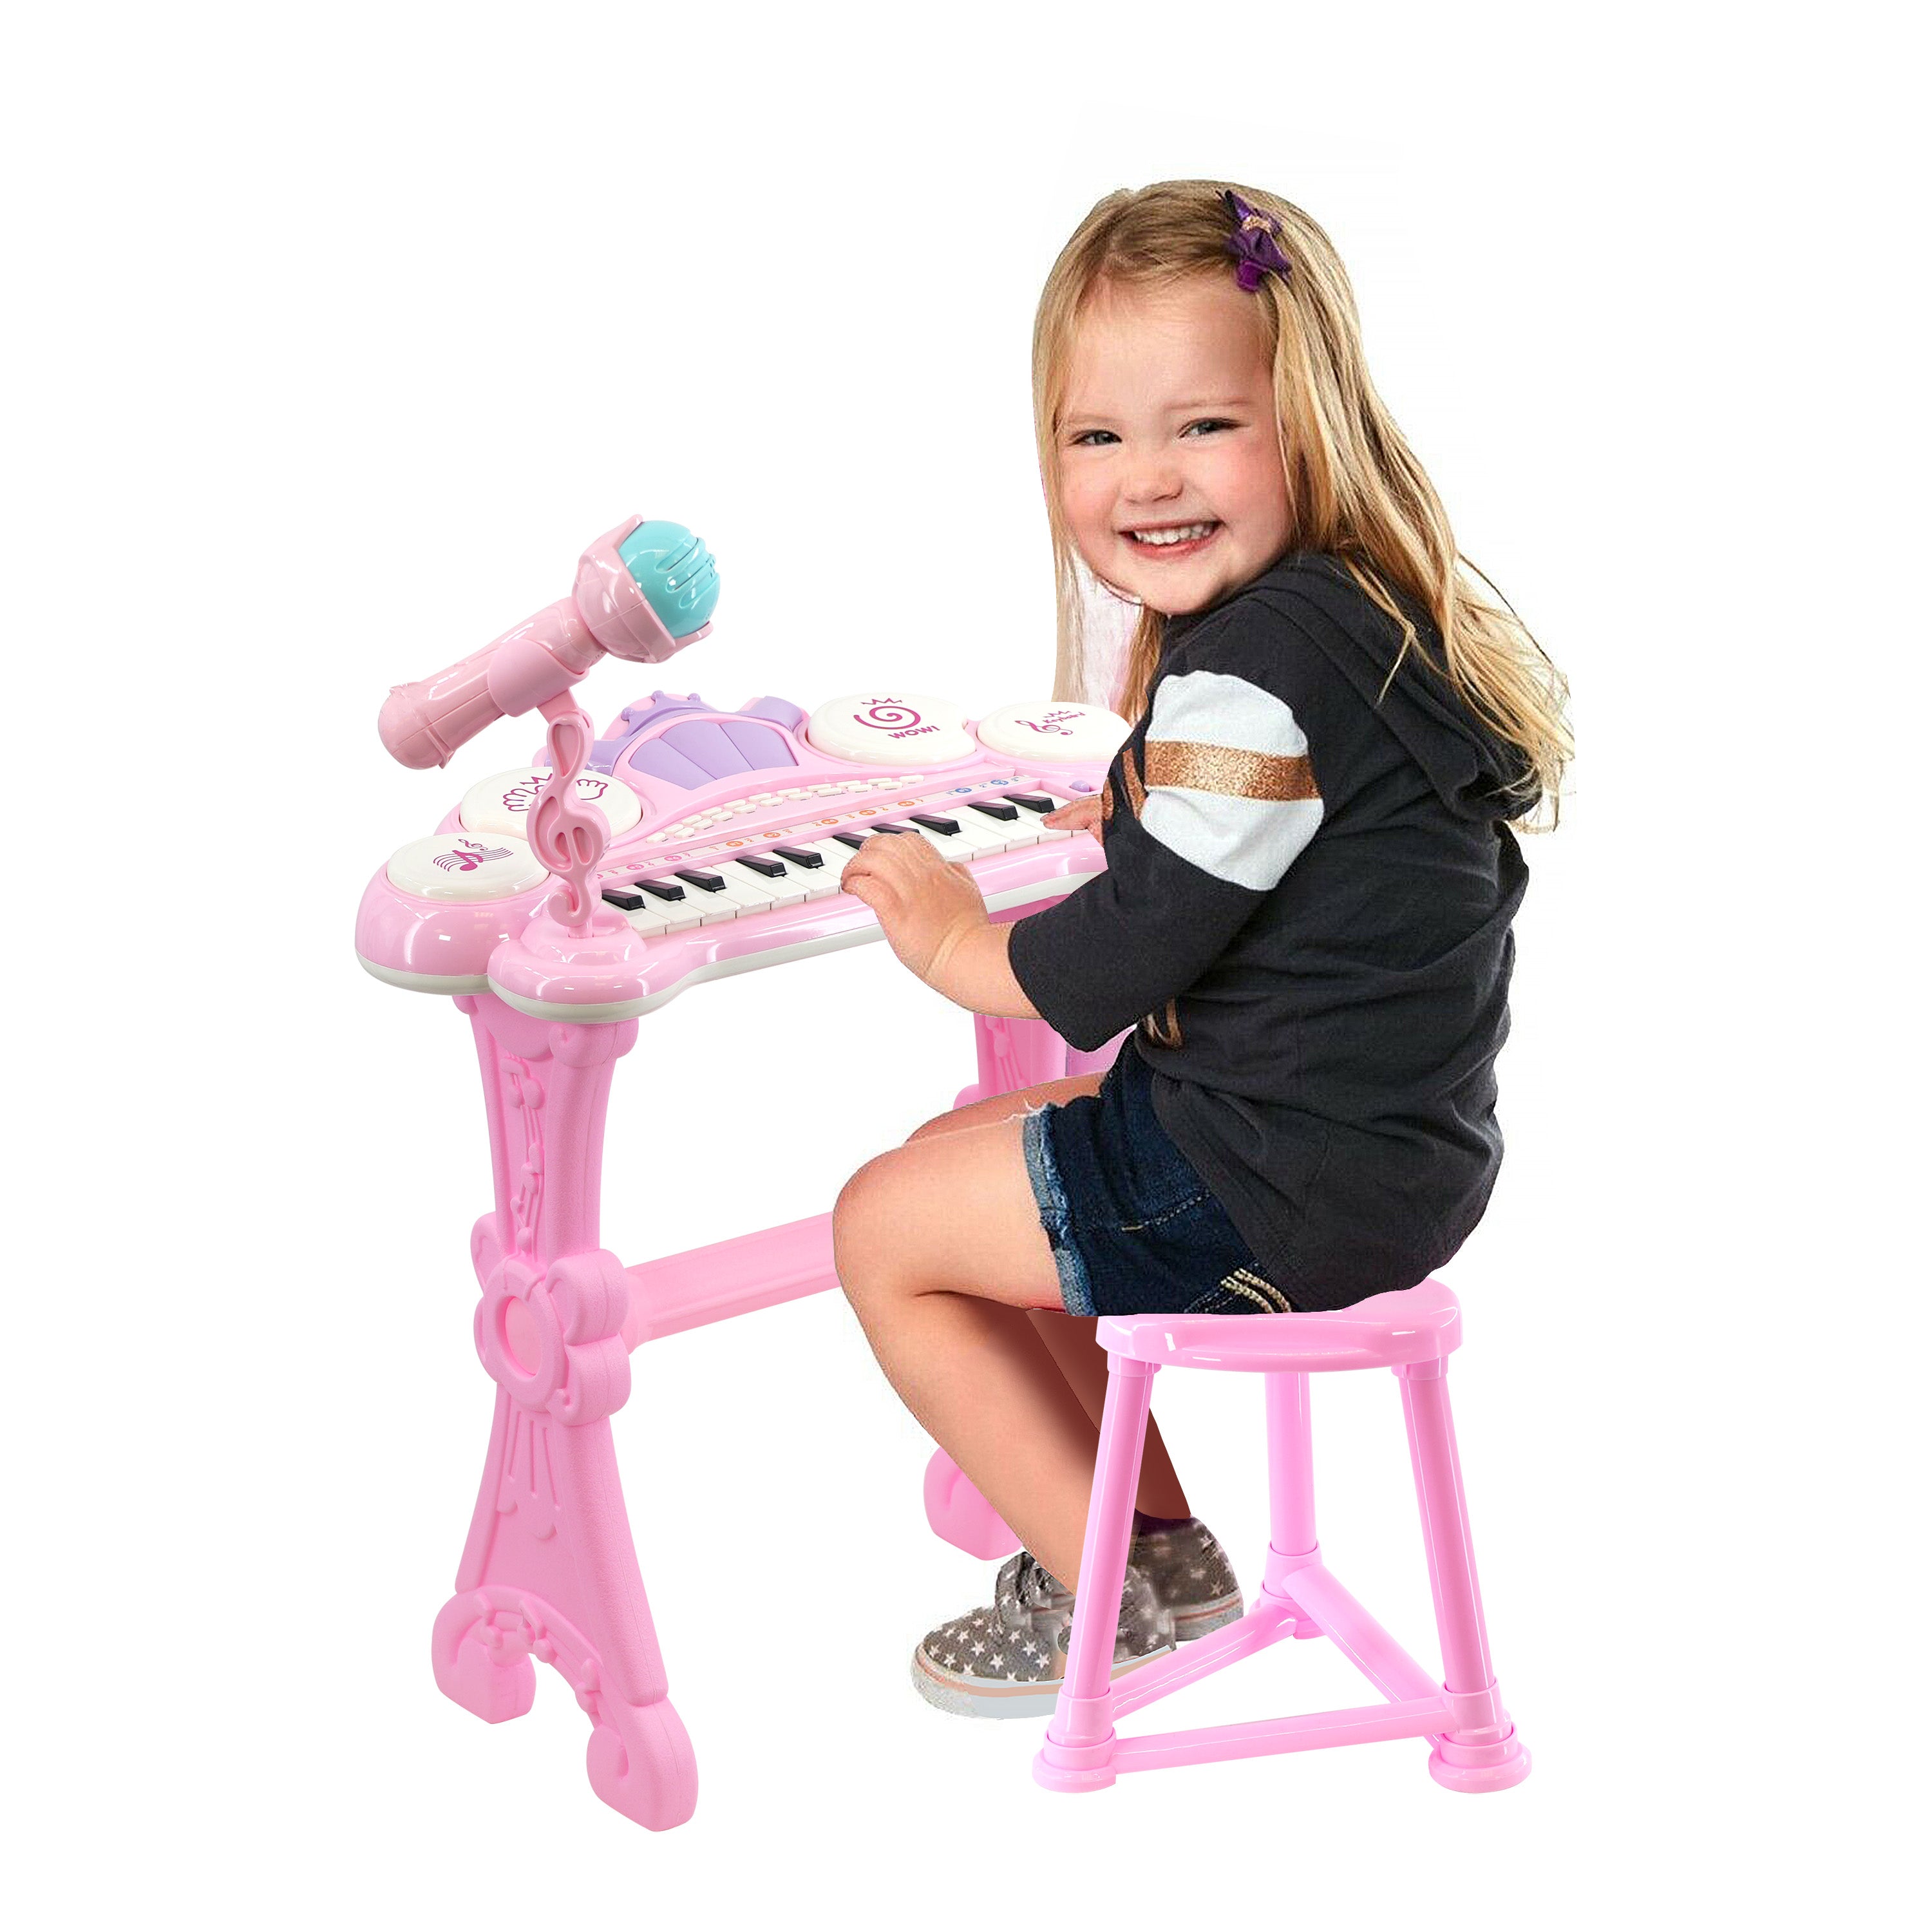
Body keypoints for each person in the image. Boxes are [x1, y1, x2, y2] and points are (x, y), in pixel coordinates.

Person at [835, 180, 1571, 1718]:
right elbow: (1256, 867)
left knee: (879, 1233)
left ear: (1306, 423)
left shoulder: (1254, 680)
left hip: (1269, 1179)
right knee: (957, 1149)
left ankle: (1105, 1603)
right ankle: (1151, 1552)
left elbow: (1110, 973)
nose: (1147, 479)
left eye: (1204, 428)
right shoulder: (1365, 618)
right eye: (1096, 438)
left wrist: (953, 937)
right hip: (1389, 1156)